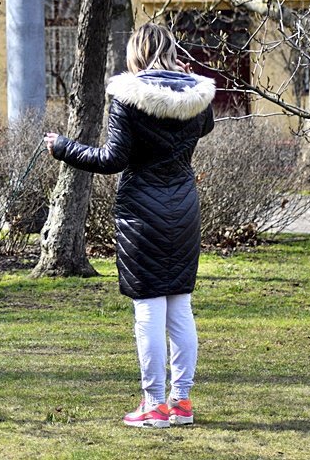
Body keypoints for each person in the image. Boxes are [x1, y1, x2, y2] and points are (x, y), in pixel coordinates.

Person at [44, 22, 215, 428]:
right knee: (180, 305)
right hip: (184, 209)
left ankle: (154, 405)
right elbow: (203, 128)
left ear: (135, 52)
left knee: (149, 309)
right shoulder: (198, 97)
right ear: (171, 50)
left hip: (142, 213)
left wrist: (62, 147)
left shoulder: (127, 96)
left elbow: (112, 159)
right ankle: (182, 402)